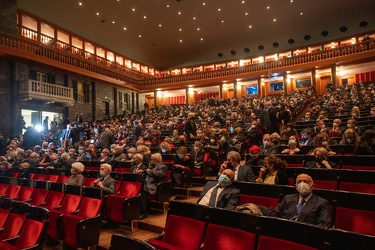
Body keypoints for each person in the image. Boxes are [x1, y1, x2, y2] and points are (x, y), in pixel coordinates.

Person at [265, 173, 332, 228]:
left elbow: (324, 225)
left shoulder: (322, 202)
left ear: (312, 186)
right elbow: (275, 214)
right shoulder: (287, 198)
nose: (302, 184)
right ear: (296, 187)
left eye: (306, 181)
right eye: (299, 182)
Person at [141, 153, 168, 219]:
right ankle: (141, 210)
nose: (150, 160)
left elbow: (159, 175)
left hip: (155, 185)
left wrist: (150, 171)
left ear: (156, 159)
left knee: (142, 193)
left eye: (152, 159)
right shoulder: (153, 166)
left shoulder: (163, 167)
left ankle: (144, 212)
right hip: (147, 184)